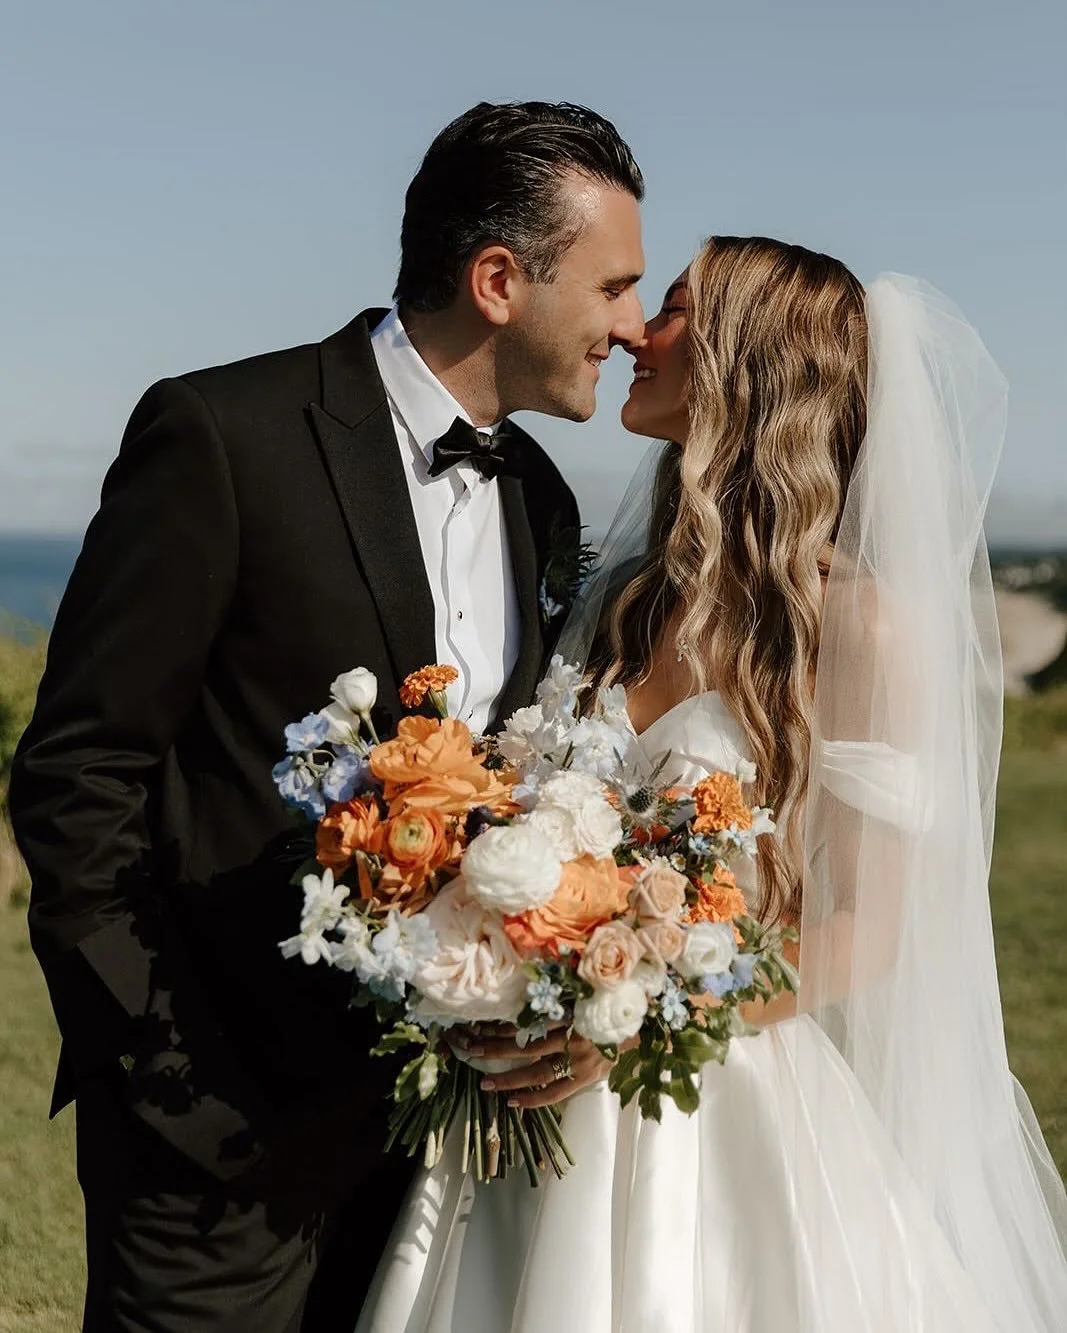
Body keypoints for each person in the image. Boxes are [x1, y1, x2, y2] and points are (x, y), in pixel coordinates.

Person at [8, 101, 646, 1332]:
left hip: (435, 1154)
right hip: (210, 1136)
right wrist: (161, 1073)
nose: (629, 323)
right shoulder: (223, 436)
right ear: (499, 279)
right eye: (613, 286)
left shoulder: (544, 504)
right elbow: (80, 770)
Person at [353, 238, 1067, 1331]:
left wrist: (631, 1019)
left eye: (676, 311)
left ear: (751, 366)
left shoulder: (857, 623)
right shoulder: (623, 597)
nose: (637, 329)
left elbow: (865, 928)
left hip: (702, 1096)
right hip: (524, 1092)